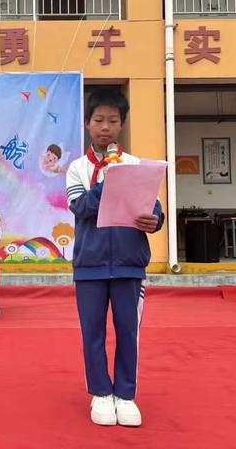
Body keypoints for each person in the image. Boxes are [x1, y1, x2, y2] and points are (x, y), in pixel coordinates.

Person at [65, 89, 164, 427]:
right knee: (92, 333)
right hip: (90, 265)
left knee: (127, 332)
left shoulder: (137, 165)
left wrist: (156, 221)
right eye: (98, 121)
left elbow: (153, 209)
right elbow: (81, 208)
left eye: (112, 121)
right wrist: (107, 177)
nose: (104, 127)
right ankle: (101, 393)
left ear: (122, 124)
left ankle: (125, 394)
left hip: (128, 263)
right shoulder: (77, 169)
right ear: (87, 124)